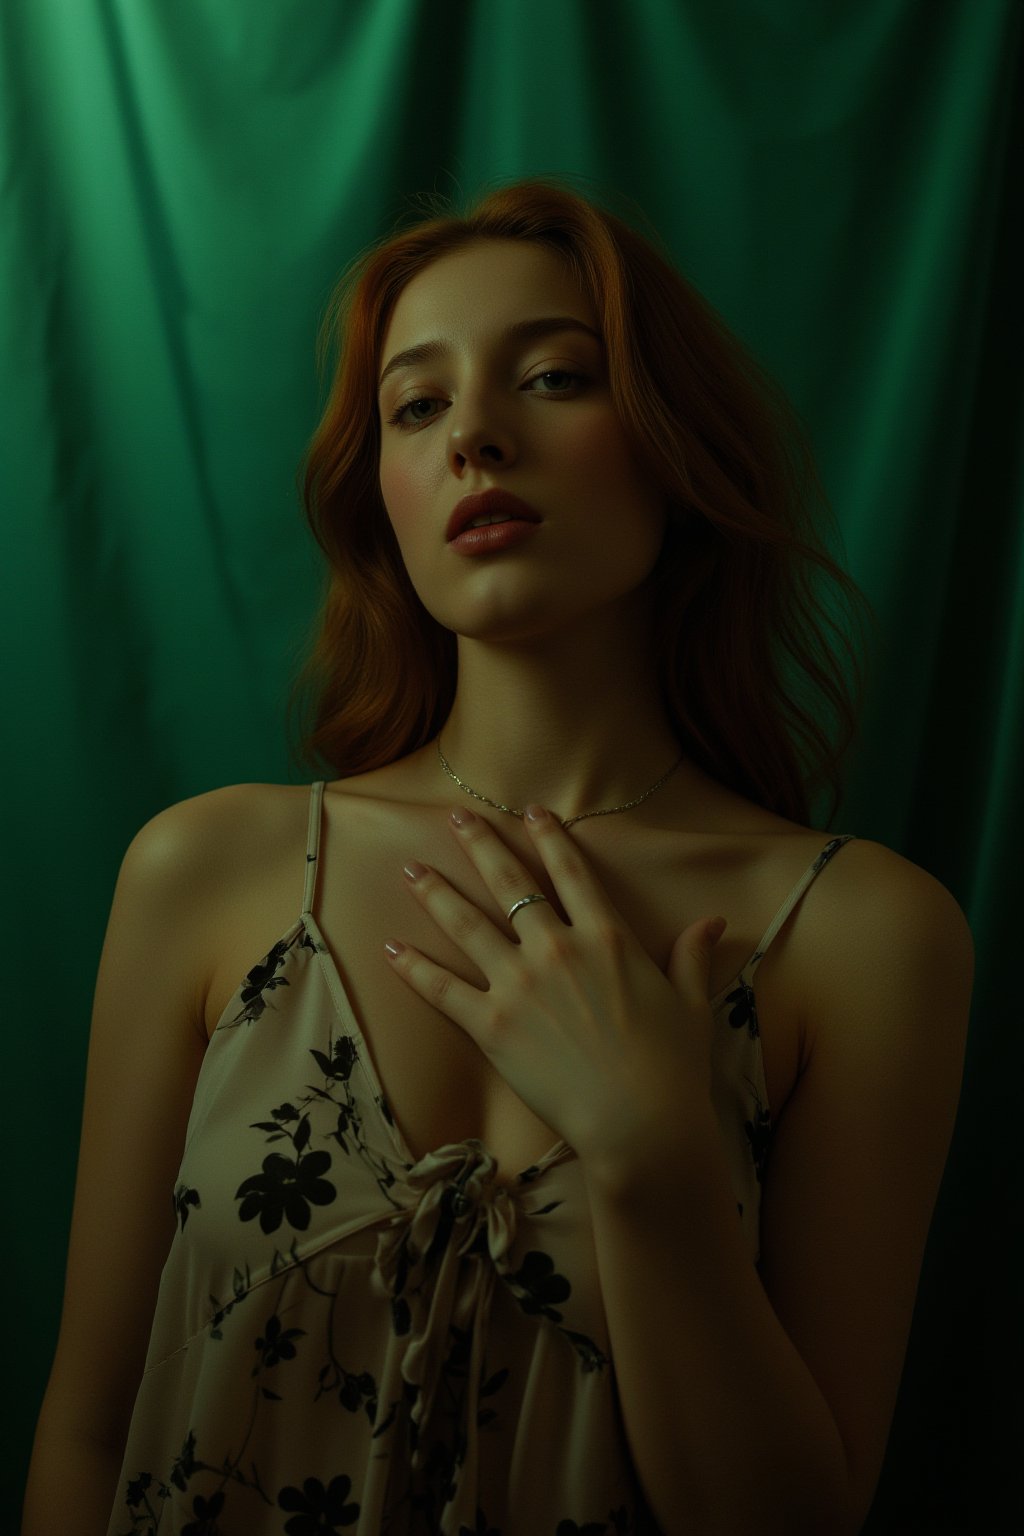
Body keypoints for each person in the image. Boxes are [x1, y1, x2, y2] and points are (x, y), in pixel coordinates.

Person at [22, 176, 974, 1536]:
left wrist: (655, 1169)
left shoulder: (863, 935)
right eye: (416, 405)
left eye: (554, 377)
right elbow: (88, 1430)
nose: (476, 433)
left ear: (670, 442)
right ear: (384, 501)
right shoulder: (207, 873)